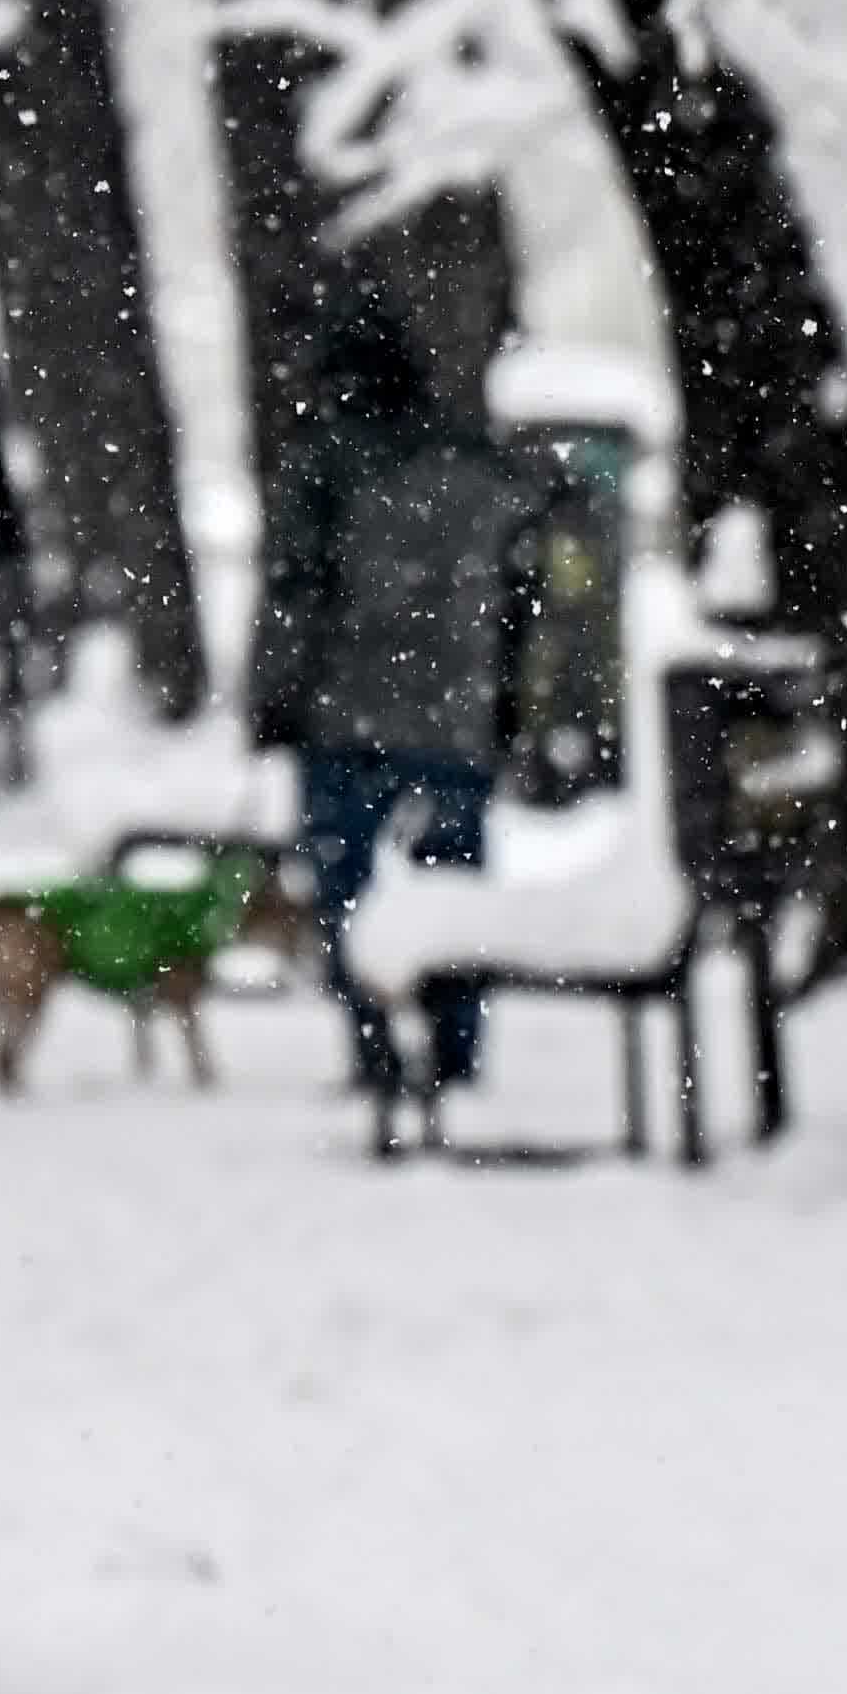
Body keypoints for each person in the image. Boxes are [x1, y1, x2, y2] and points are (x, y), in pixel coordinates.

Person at [253, 286, 551, 1108]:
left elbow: (294, 595)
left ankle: (375, 1045)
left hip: (343, 717)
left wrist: (273, 700)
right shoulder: (481, 465)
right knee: (453, 883)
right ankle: (457, 1047)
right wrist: (505, 701)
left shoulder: (322, 465)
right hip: (456, 720)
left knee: (347, 888)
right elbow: (524, 592)